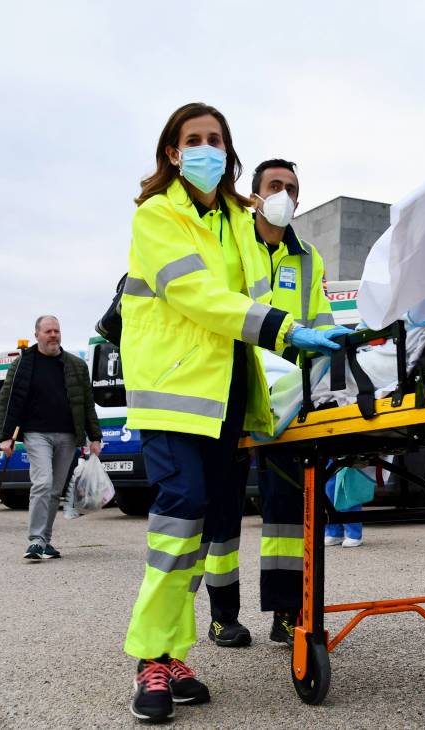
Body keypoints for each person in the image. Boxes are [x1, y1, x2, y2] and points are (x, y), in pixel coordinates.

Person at [119, 103, 349, 723]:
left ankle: (172, 651)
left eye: (216, 139)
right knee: (181, 514)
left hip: (225, 399)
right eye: (194, 139)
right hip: (172, 394)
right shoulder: (158, 216)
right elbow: (195, 294)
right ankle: (149, 660)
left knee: (195, 530)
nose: (206, 148)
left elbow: (261, 288)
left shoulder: (237, 221)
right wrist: (284, 329)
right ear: (172, 151)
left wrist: (314, 340)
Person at [244, 158, 345, 647]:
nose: (284, 194)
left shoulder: (309, 258)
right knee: (215, 514)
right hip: (237, 385)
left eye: (292, 188)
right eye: (275, 186)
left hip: (288, 398)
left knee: (289, 509)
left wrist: (333, 337)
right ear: (255, 195)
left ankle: (289, 610)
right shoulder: (232, 242)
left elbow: (320, 318)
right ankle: (221, 615)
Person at [0, 316, 103, 561]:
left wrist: (94, 436)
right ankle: (35, 540)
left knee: (55, 490)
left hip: (67, 435)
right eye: (48, 331)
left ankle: (45, 541)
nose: (53, 335)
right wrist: (6, 436)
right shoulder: (23, 363)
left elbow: (87, 403)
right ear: (37, 335)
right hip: (36, 434)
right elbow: (8, 399)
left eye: (57, 331)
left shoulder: (76, 365)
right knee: (43, 482)